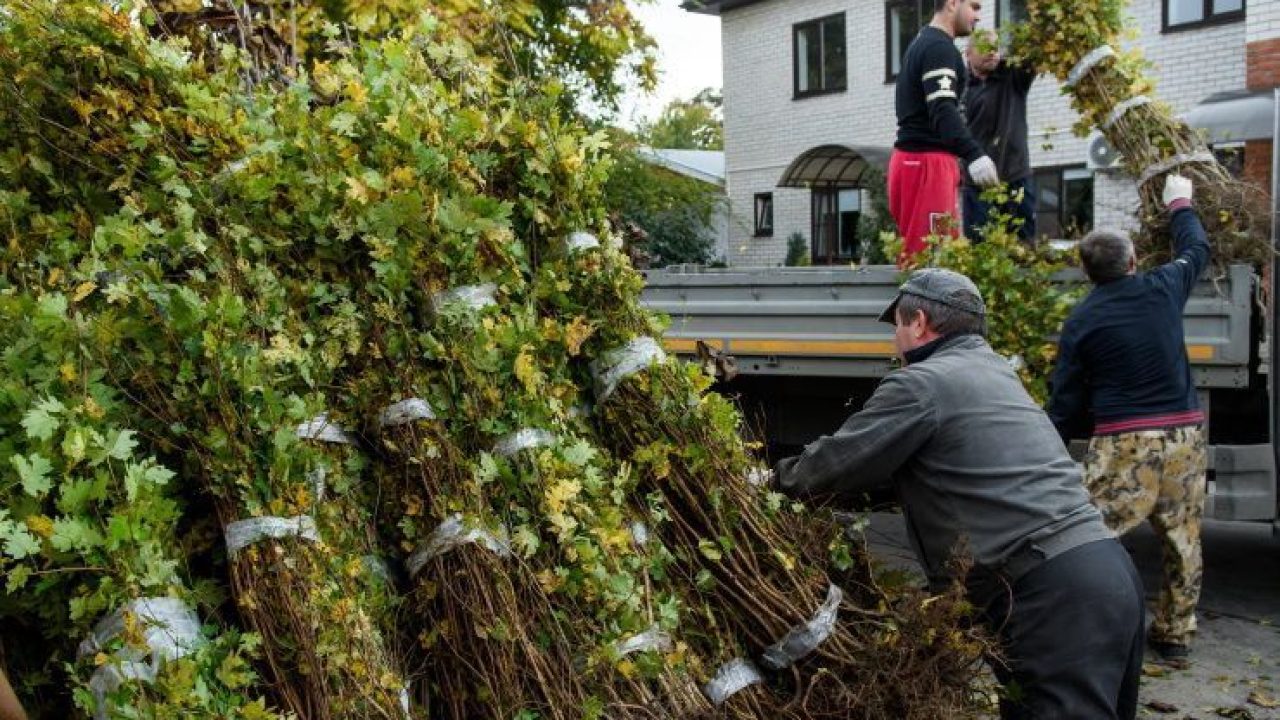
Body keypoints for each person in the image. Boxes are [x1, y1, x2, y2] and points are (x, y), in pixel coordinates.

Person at [773, 268, 1145, 719]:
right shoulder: (996, 374)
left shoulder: (923, 383)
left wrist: (768, 481)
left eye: (897, 326)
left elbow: (830, 468)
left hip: (1054, 597)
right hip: (1107, 573)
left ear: (919, 323)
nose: (895, 340)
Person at [1048, 174, 1210, 664]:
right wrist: (1179, 201)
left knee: (1090, 536)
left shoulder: (1082, 320)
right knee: (1182, 535)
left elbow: (1068, 400)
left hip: (1124, 443)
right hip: (1182, 435)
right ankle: (1176, 635)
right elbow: (1197, 247)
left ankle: (1082, 629)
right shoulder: (1164, 287)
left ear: (1087, 273)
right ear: (1135, 262)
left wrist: (1048, 444)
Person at [890, 0, 1000, 264]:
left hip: (917, 161)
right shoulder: (938, 47)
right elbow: (942, 109)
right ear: (952, 3)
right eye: (974, 6)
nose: (978, 16)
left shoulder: (924, 42)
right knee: (931, 260)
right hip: (927, 163)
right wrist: (974, 154)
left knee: (933, 255)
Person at [962, 30, 1037, 243]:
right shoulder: (961, 87)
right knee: (981, 246)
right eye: (984, 48)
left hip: (1016, 175)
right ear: (968, 53)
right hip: (978, 183)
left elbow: (1034, 54)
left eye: (995, 48)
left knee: (1024, 246)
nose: (992, 53)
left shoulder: (1012, 77)